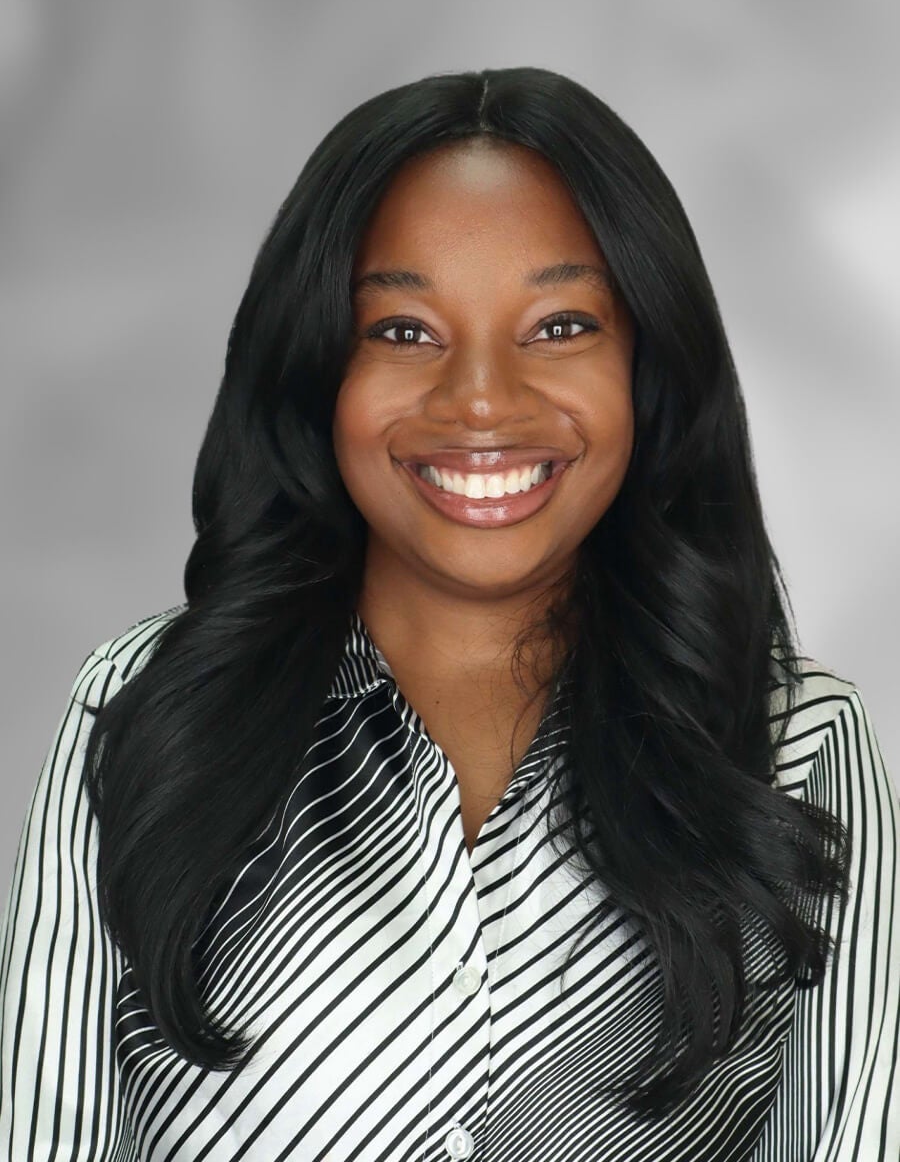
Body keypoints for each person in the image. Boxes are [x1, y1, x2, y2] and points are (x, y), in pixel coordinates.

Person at [1, 67, 897, 1162]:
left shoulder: (797, 750)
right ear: (316, 365)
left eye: (561, 324)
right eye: (406, 331)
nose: (480, 399)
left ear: (649, 368)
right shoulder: (144, 713)